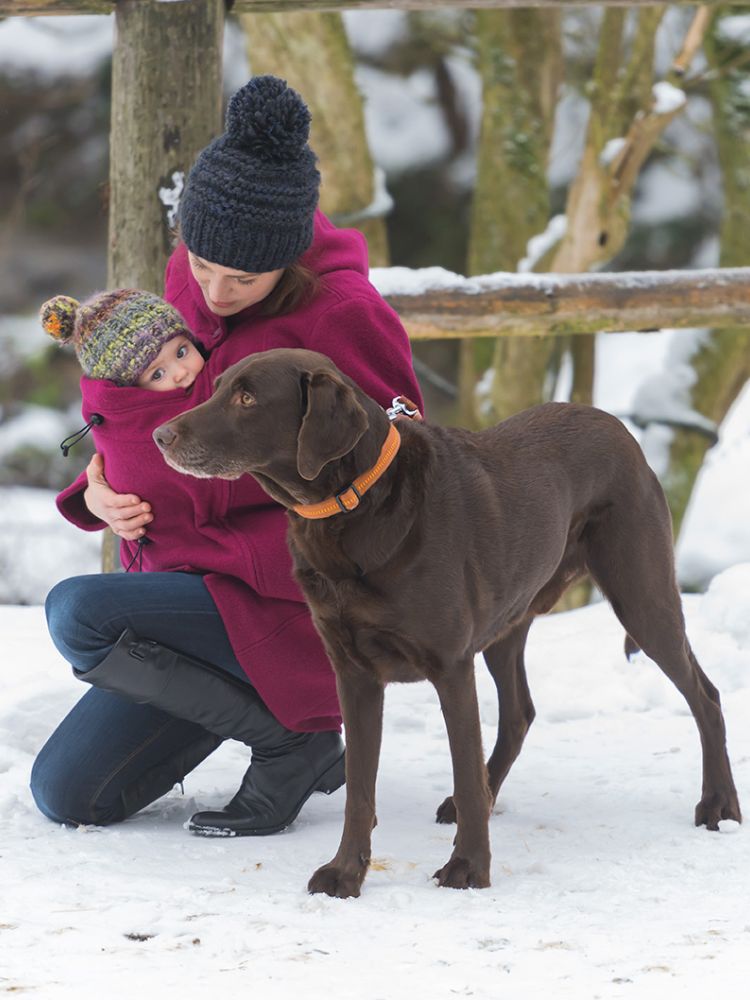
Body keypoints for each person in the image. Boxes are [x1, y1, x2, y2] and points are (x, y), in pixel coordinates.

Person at [31, 75, 424, 839]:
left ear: (288, 259)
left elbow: (407, 464)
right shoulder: (199, 272)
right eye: (201, 265)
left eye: (240, 279)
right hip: (184, 589)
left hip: (287, 588)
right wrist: (99, 491)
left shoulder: (342, 316)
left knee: (79, 611)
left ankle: (292, 740)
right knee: (71, 795)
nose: (211, 292)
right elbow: (150, 404)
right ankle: (292, 734)